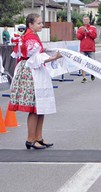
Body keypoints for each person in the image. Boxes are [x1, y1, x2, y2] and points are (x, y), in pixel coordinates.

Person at [8, 13, 62, 149]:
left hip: (35, 71)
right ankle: (31, 139)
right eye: (38, 23)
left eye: (41, 23)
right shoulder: (30, 37)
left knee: (40, 106)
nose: (41, 25)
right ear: (30, 25)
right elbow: (35, 58)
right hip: (31, 72)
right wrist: (54, 57)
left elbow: (40, 52)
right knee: (34, 107)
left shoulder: (32, 36)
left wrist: (53, 51)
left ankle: (38, 137)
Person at [76, 15, 97, 83]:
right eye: (84, 20)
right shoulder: (80, 28)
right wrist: (83, 32)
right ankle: (84, 77)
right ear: (83, 21)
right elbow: (78, 37)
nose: (85, 21)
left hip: (91, 48)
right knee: (83, 63)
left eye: (87, 19)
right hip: (83, 48)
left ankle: (92, 74)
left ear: (89, 20)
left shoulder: (93, 28)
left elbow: (94, 36)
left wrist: (87, 31)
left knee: (92, 63)